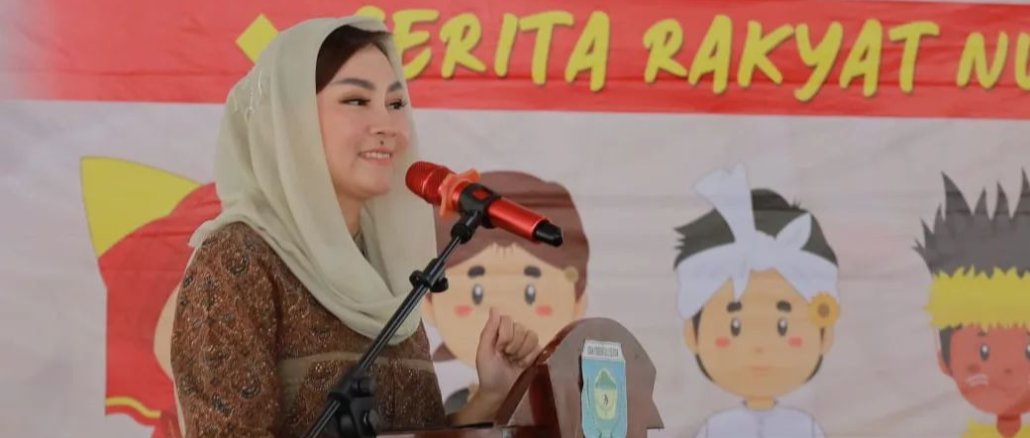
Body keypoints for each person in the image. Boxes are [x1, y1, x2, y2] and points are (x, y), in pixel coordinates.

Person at [169, 16, 542, 438]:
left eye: (395, 104)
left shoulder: (388, 270)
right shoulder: (237, 262)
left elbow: (409, 433)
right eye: (356, 101)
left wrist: (490, 396)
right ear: (290, 123)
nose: (388, 126)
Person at [672, 164, 840, 438]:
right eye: (735, 326)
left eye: (783, 326)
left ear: (825, 336)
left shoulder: (805, 429)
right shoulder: (715, 429)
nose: (760, 346)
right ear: (693, 334)